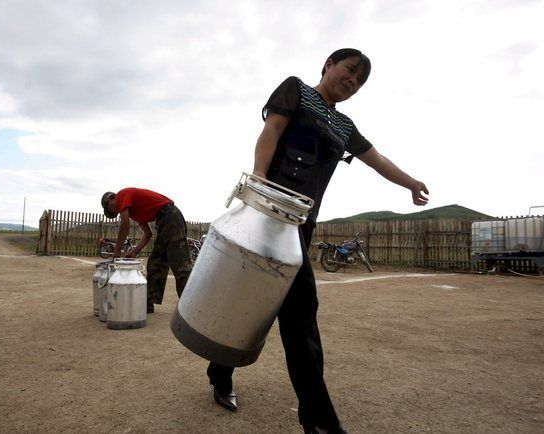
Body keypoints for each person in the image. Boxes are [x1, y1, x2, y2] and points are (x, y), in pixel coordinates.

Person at [205, 48, 429, 433]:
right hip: (264, 213)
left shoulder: (344, 126)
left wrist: (410, 183)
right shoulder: (296, 90)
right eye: (349, 70)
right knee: (249, 299)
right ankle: (237, 383)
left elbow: (377, 159)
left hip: (299, 227)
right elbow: (271, 130)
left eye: (359, 81)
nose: (352, 81)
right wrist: (259, 176)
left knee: (298, 313)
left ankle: (313, 417)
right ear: (329, 64)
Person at [101, 188, 192, 313]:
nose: (116, 211)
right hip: (163, 220)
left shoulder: (121, 195)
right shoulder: (135, 211)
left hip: (170, 216)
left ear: (109, 199)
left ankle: (191, 304)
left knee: (180, 263)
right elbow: (148, 233)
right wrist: (134, 252)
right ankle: (148, 304)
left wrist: (116, 251)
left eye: (111, 209)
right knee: (155, 263)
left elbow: (125, 225)